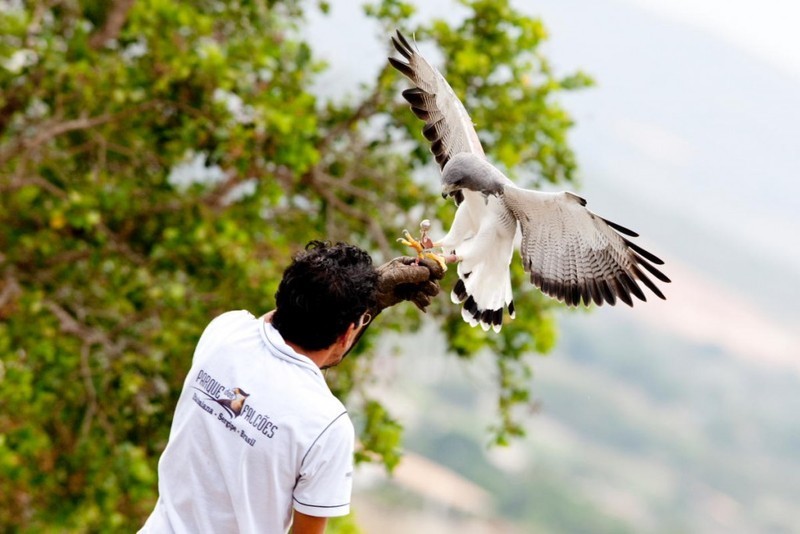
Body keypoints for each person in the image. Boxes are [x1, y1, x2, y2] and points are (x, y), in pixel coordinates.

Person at [139, 241, 444, 534]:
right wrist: (370, 304)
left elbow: (275, 333)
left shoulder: (224, 331)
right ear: (348, 332)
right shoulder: (326, 426)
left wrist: (361, 305)